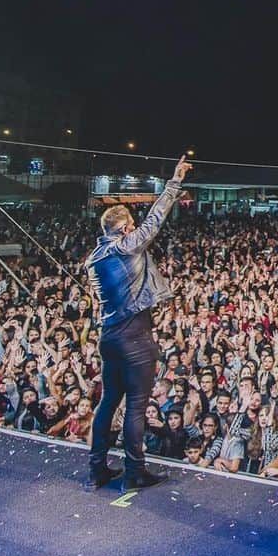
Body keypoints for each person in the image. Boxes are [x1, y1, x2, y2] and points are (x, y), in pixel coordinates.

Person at [84, 154, 191, 491]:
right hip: (134, 334)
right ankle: (134, 472)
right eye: (132, 224)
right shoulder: (124, 247)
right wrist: (174, 183)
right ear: (126, 228)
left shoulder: (93, 258)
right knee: (136, 405)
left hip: (109, 335)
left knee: (108, 401)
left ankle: (98, 467)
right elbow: (154, 221)